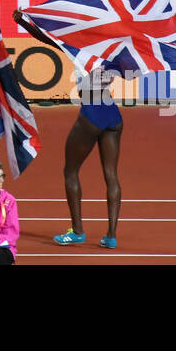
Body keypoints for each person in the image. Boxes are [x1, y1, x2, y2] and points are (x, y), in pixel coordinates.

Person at [51, 66, 122, 250]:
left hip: (92, 113)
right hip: (112, 112)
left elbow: (51, 39)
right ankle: (111, 236)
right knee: (111, 175)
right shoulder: (111, 53)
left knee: (70, 171)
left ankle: (77, 231)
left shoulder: (82, 50)